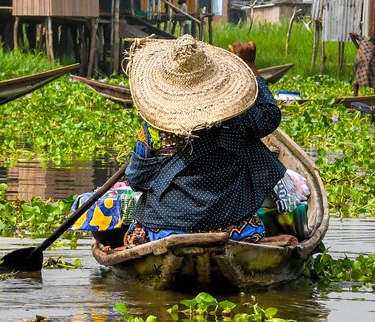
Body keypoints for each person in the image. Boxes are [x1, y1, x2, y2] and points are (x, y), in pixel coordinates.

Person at [121, 36, 293, 248]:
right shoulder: (236, 118)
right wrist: (250, 65)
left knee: (134, 233)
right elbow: (269, 115)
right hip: (233, 229)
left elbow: (136, 179)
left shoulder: (154, 130)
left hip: (163, 229)